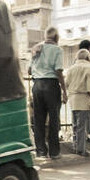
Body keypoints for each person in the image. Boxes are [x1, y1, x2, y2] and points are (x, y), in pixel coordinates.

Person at [29, 27, 65, 160]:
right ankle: (54, 152)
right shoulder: (57, 50)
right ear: (56, 38)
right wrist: (64, 91)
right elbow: (58, 71)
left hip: (37, 85)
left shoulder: (36, 48)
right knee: (54, 119)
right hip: (51, 85)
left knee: (39, 119)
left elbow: (29, 70)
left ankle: (41, 152)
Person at [64, 48, 90, 157]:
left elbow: (66, 84)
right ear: (88, 57)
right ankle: (81, 149)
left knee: (75, 125)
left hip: (73, 100)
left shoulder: (71, 68)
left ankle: (76, 147)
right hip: (84, 99)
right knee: (83, 126)